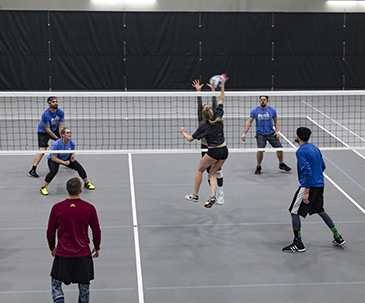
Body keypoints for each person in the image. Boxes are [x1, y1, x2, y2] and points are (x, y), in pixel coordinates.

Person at [282, 127, 346, 253]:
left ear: (299, 137)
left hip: (309, 186)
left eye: (296, 134)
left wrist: (306, 191)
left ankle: (298, 243)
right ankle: (338, 237)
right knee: (320, 210)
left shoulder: (300, 151)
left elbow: (307, 171)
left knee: (294, 212)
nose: (294, 135)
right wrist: (316, 179)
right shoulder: (315, 148)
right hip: (320, 184)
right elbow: (322, 166)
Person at [47, 177, 101, 303]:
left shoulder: (57, 208)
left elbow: (50, 232)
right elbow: (97, 232)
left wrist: (52, 247)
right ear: (80, 190)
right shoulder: (89, 208)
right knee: (84, 287)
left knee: (56, 284)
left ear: (67, 190)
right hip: (83, 255)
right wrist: (97, 247)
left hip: (62, 254)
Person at [180, 74, 229, 208]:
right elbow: (221, 99)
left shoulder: (204, 125)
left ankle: (197, 195)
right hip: (223, 150)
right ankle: (213, 196)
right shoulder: (218, 116)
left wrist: (183, 132)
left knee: (202, 170)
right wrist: (222, 85)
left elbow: (190, 139)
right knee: (211, 172)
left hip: (212, 150)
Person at [192, 79, 225, 205]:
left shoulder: (216, 118)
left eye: (209, 107)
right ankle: (213, 194)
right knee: (208, 172)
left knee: (217, 171)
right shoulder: (202, 120)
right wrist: (198, 92)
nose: (207, 107)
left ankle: (220, 193)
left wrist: (213, 91)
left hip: (216, 147)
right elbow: (199, 106)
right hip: (205, 147)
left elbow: (216, 104)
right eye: (205, 107)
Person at [241, 95, 291, 175]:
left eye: (264, 99)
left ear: (267, 101)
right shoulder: (255, 111)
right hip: (260, 134)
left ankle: (281, 164)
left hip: (271, 133)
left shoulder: (272, 110)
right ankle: (258, 166)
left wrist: (277, 131)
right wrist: (244, 133)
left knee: (280, 148)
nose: (262, 101)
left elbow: (276, 121)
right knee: (260, 150)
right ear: (259, 101)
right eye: (261, 99)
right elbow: (249, 122)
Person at [40, 127, 95, 196]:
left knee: (80, 168)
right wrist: (64, 163)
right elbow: (54, 158)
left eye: (70, 132)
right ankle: (43, 188)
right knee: (53, 171)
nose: (70, 134)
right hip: (54, 160)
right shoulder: (57, 144)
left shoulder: (71, 142)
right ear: (62, 135)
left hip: (66, 158)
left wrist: (72, 156)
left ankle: (86, 183)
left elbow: (72, 151)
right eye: (67, 133)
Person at [28, 96, 65, 178]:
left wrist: (62, 136)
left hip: (54, 129)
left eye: (56, 101)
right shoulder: (45, 115)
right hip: (43, 131)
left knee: (66, 140)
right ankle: (33, 170)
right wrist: (56, 138)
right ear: (49, 104)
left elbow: (61, 126)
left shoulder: (60, 112)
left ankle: (68, 159)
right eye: (53, 102)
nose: (55, 103)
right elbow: (47, 130)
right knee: (42, 149)